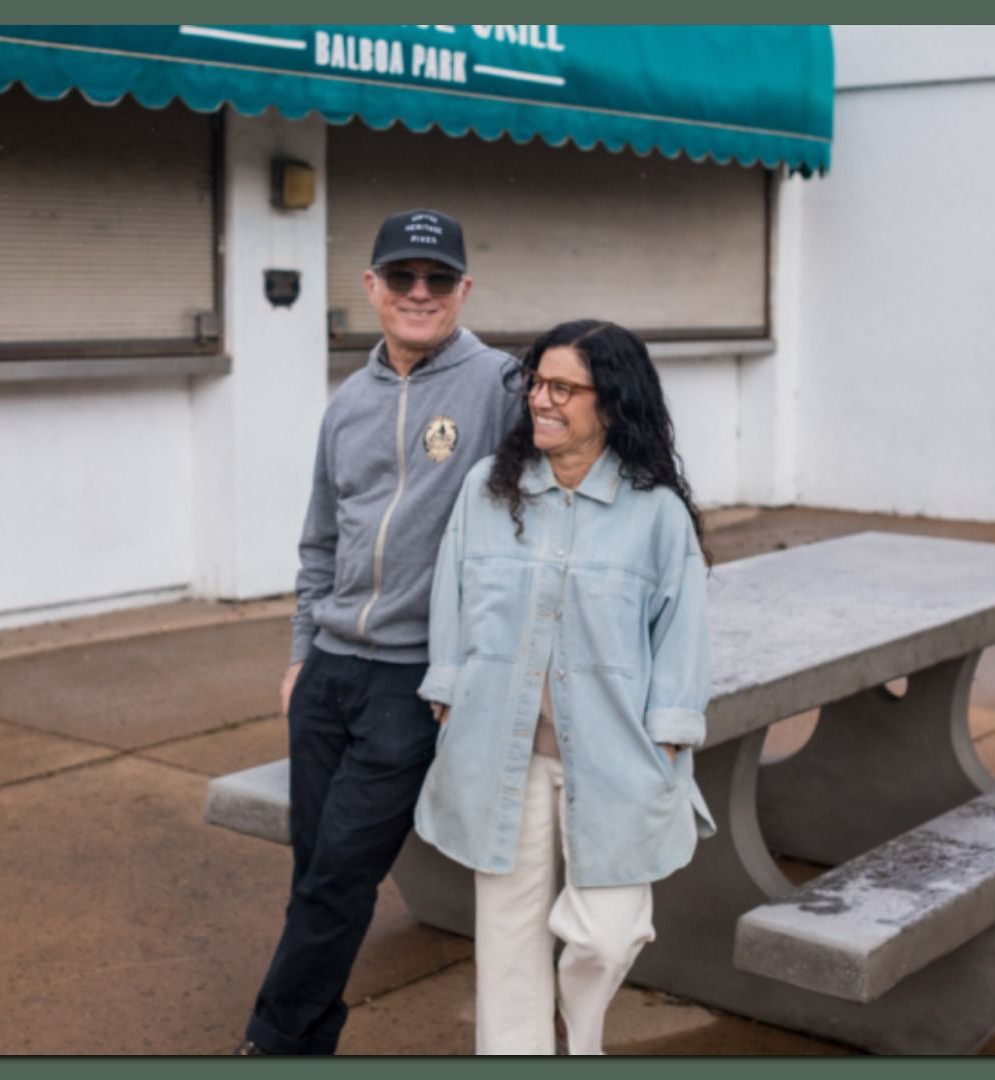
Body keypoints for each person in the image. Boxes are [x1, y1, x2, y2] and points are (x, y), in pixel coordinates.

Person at [237, 209, 523, 1056]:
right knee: (315, 873)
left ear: (466, 289)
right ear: (372, 288)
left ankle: (273, 1042)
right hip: (327, 675)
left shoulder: (503, 387)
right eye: (402, 277)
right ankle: (309, 1032)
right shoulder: (346, 405)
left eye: (439, 279)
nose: (420, 293)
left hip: (412, 683)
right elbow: (320, 542)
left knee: (339, 876)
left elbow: (539, 523)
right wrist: (299, 658)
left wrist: (471, 666)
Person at [413, 319, 715, 1055]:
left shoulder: (657, 515)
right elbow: (450, 591)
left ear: (610, 403)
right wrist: (446, 686)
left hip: (615, 758)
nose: (540, 401)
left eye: (562, 388)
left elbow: (682, 634)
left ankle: (580, 1046)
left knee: (608, 939)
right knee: (508, 941)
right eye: (535, 385)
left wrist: (671, 736)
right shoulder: (489, 490)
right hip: (498, 749)